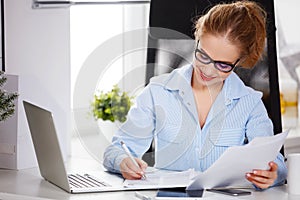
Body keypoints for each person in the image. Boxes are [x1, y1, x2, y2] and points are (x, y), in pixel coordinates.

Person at [103, 1, 287, 189]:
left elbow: (274, 161)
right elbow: (116, 149)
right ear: (197, 39)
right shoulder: (157, 92)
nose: (207, 70)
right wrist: (123, 161)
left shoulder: (249, 103)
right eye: (203, 56)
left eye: (222, 65)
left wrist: (272, 174)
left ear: (239, 62)